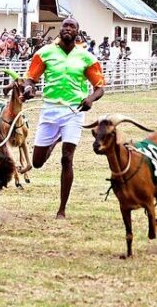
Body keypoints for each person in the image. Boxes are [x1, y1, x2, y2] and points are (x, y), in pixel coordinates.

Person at [22, 17, 105, 219]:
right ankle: (55, 139)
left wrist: (90, 99)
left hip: (73, 112)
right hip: (50, 110)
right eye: (65, 26)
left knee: (67, 158)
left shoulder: (86, 57)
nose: (68, 29)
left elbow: (100, 87)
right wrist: (28, 88)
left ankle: (62, 210)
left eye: (72, 26)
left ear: (78, 32)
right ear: (60, 30)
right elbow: (30, 78)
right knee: (38, 162)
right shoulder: (45, 53)